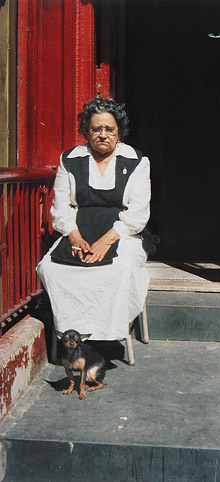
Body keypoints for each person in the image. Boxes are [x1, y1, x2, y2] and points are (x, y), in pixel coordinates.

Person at [37, 95, 151, 340]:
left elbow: (138, 212)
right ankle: (73, 334)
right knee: (51, 268)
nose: (103, 134)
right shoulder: (70, 160)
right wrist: (76, 238)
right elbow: (61, 207)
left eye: (109, 129)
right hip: (80, 230)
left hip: (122, 233)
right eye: (96, 129)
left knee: (118, 269)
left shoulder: (136, 161)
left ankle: (107, 333)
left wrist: (105, 242)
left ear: (119, 132)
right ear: (86, 132)